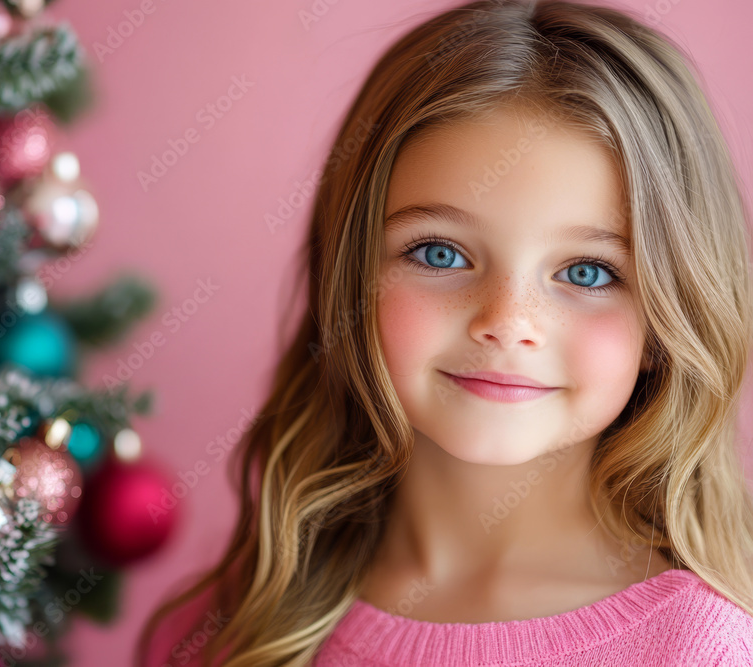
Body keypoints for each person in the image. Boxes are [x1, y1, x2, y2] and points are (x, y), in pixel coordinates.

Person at [137, 1, 753, 664]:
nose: (507, 322)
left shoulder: (697, 647)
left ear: (672, 313)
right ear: (352, 275)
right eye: (440, 253)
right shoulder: (233, 626)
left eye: (588, 270)